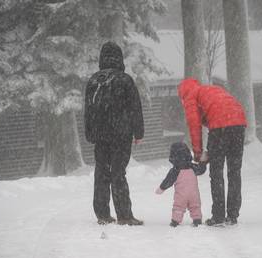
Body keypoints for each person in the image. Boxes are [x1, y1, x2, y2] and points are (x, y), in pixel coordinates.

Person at [84, 41, 144, 226]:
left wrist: (90, 134)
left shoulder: (93, 81)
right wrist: (138, 132)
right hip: (121, 134)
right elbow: (135, 108)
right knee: (118, 172)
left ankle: (102, 213)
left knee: (101, 172)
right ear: (119, 58)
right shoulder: (125, 80)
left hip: (101, 136)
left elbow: (88, 110)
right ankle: (124, 215)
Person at [177, 78, 247, 226]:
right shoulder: (210, 90)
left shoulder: (190, 96)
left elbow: (194, 126)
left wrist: (198, 154)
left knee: (216, 173)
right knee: (234, 172)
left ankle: (218, 216)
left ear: (183, 93)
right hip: (239, 124)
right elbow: (221, 109)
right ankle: (233, 215)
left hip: (220, 127)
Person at [155, 142, 207, 227]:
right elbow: (201, 170)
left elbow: (168, 181)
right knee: (195, 206)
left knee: (178, 207)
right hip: (194, 194)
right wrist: (203, 161)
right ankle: (197, 219)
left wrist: (161, 189)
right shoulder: (192, 167)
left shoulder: (175, 170)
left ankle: (175, 221)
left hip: (181, 195)